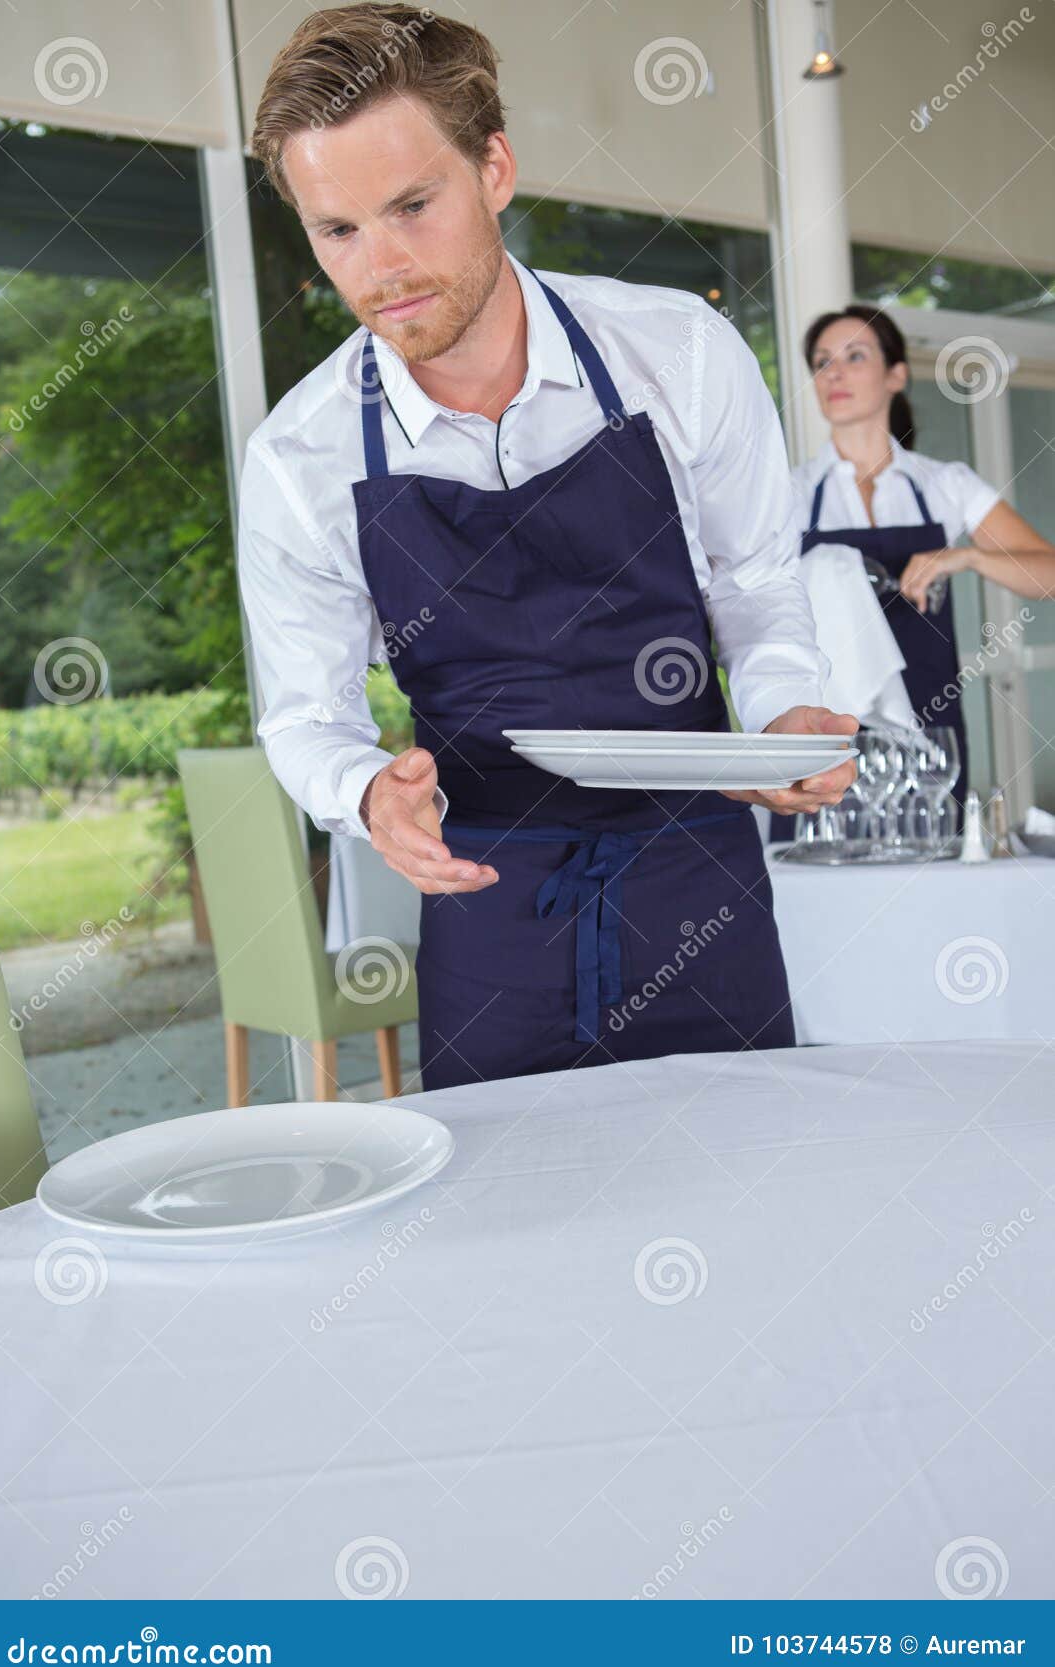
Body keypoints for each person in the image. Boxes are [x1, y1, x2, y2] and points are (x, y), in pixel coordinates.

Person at [238, 4, 856, 1092]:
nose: (381, 267)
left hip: (694, 882)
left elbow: (758, 590)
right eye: (338, 230)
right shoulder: (299, 456)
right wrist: (368, 791)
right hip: (487, 910)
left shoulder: (680, 354)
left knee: (755, 1199)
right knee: (506, 1239)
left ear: (494, 169)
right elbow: (304, 716)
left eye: (413, 206)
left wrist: (779, 714)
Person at [795, 304, 1055, 805]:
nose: (835, 373)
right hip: (825, 739)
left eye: (855, 356)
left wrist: (969, 558)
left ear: (896, 375)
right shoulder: (789, 495)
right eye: (823, 361)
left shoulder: (945, 484)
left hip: (930, 730)